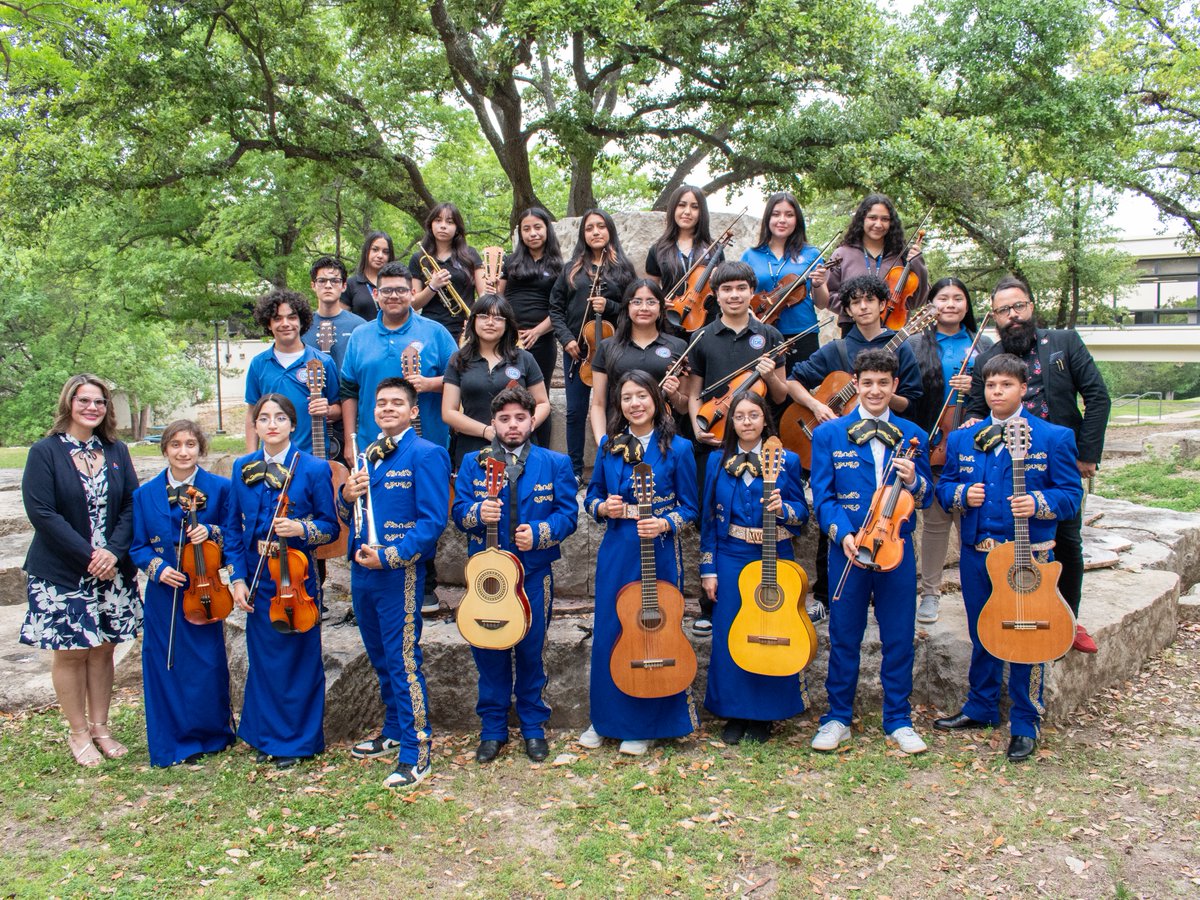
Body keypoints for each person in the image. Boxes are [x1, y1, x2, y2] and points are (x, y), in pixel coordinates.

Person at [935, 353, 1084, 761]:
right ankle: (980, 707)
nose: (997, 392)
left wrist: (1038, 502)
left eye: (1006, 385)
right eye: (990, 385)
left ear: (1024, 389)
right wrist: (962, 495)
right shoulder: (966, 437)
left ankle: (1025, 720)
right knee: (983, 630)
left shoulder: (1053, 437)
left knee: (1027, 634)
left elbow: (1071, 497)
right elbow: (943, 488)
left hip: (1028, 558)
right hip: (978, 554)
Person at [965, 276, 1111, 653]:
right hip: (1006, 469)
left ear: (1031, 306)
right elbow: (978, 409)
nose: (1013, 316)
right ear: (993, 316)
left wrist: (1087, 453)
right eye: (1003, 310)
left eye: (1019, 307)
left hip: (1057, 461)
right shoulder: (986, 358)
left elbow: (1097, 395)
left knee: (1066, 540)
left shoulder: (1064, 343)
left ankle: (1068, 620)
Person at [808, 349, 933, 756]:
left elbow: (929, 495)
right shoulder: (830, 434)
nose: (875, 390)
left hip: (896, 550)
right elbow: (823, 497)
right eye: (867, 383)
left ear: (894, 386)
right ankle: (837, 717)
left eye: (884, 382)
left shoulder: (914, 434)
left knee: (898, 637)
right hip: (848, 552)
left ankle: (898, 719)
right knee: (845, 636)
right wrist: (840, 533)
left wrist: (915, 481)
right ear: (855, 385)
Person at [786, 274, 925, 621]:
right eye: (855, 302)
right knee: (834, 511)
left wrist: (877, 395)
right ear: (847, 308)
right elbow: (793, 379)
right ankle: (826, 595)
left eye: (870, 300)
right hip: (835, 439)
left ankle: (884, 591)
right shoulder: (837, 349)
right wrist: (817, 407)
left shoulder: (901, 347)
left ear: (883, 305)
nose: (863, 307)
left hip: (887, 437)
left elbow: (914, 401)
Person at [452, 387, 579, 763]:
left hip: (532, 575)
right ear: (493, 423)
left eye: (519, 418)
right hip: (486, 578)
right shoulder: (474, 463)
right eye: (504, 419)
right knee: (488, 650)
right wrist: (477, 514)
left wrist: (541, 532)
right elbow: (458, 512)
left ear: (532, 420)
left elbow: (568, 515)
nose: (512, 425)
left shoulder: (554, 463)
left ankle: (532, 727)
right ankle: (492, 729)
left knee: (529, 651)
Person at [20, 374, 141, 768]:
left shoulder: (117, 451)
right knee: (71, 652)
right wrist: (90, 554)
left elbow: (129, 506)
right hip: (62, 571)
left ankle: (101, 727)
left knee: (103, 649)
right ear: (69, 403)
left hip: (111, 570)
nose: (92, 408)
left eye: (100, 402)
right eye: (84, 400)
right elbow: (42, 512)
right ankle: (77, 731)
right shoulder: (45, 452)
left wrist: (112, 552)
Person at [338, 378, 451, 788]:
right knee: (380, 658)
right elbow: (353, 513)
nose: (387, 409)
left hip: (398, 572)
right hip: (362, 569)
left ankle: (416, 750)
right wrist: (347, 495)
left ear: (414, 411)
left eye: (397, 403)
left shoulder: (427, 453)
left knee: (403, 662)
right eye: (381, 403)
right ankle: (392, 730)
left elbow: (432, 522)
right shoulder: (367, 453)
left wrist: (390, 555)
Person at [581, 371, 699, 755]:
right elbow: (592, 496)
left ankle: (647, 724)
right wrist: (603, 506)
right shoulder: (608, 448)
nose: (635, 403)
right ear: (619, 405)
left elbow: (691, 507)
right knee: (612, 629)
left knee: (653, 631)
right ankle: (605, 719)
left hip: (659, 550)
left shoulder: (678, 449)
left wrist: (666, 522)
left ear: (656, 400)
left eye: (642, 396)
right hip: (618, 548)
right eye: (627, 397)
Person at [340, 261, 458, 613]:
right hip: (370, 440)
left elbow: (459, 377)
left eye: (401, 290)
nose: (393, 296)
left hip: (426, 440)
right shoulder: (360, 336)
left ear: (413, 293)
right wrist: (349, 438)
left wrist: (430, 384)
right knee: (375, 507)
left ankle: (426, 583)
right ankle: (369, 575)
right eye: (386, 290)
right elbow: (348, 387)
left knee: (424, 506)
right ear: (375, 295)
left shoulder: (435, 331)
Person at [228, 394, 337, 769]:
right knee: (265, 660)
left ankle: (298, 741)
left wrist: (300, 528)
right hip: (259, 578)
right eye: (263, 418)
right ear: (255, 425)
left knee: (299, 660)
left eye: (280, 418)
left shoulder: (313, 468)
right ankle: (267, 735)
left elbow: (330, 527)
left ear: (293, 425)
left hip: (297, 579)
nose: (271, 424)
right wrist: (237, 578)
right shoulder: (242, 467)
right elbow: (231, 530)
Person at [683, 259, 790, 636]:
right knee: (712, 515)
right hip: (715, 438)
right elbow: (694, 393)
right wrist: (697, 426)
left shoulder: (770, 336)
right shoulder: (702, 336)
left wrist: (767, 375)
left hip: (759, 436)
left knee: (757, 513)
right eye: (726, 289)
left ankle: (760, 597)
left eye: (740, 288)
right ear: (715, 294)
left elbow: (780, 393)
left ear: (751, 292)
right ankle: (709, 604)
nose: (733, 295)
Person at [699, 392, 809, 744]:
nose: (747, 422)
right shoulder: (717, 461)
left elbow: (802, 517)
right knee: (730, 633)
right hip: (731, 554)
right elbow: (707, 522)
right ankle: (733, 712)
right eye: (739, 416)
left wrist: (784, 509)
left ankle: (765, 714)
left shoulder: (787, 460)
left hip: (773, 553)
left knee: (774, 630)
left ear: (765, 420)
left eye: (753, 415)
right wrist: (708, 569)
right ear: (731, 423)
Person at [130, 420, 237, 767]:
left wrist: (212, 532)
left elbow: (235, 535)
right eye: (175, 445)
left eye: (191, 444)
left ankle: (213, 734)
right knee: (166, 663)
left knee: (206, 664)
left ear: (200, 449)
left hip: (206, 589)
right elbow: (139, 547)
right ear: (164, 450)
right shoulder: (144, 495)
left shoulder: (220, 489)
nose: (183, 452)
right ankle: (172, 741)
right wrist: (158, 569)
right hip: (165, 594)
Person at [907, 277, 993, 625]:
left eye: (959, 298)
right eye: (944, 298)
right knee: (936, 523)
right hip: (934, 443)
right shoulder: (914, 343)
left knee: (977, 520)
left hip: (976, 443)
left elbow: (999, 390)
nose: (952, 304)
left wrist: (975, 386)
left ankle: (985, 591)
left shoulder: (982, 344)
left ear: (967, 305)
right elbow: (910, 394)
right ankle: (930, 593)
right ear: (932, 304)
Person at [549, 208, 636, 483]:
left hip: (611, 352)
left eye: (601, 226)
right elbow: (556, 308)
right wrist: (566, 339)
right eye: (589, 228)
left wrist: (609, 305)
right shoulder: (572, 268)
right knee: (575, 411)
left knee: (613, 409)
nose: (595, 232)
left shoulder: (623, 269)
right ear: (583, 234)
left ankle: (611, 465)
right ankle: (575, 470)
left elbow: (633, 308)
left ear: (609, 230)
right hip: (578, 350)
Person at [442, 294, 551, 470]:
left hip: (519, 447)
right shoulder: (459, 359)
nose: (490, 322)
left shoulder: (524, 358)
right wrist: (487, 431)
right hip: (472, 447)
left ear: (507, 324)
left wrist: (522, 428)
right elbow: (448, 412)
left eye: (498, 318)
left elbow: (543, 403)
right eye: (484, 316)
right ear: (473, 321)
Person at [588, 279, 688, 447]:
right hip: (619, 435)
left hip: (666, 438)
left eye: (651, 302)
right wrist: (601, 441)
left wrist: (674, 395)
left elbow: (684, 406)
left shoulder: (678, 346)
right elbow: (598, 403)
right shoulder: (607, 347)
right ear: (627, 307)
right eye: (636, 302)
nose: (644, 308)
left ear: (661, 308)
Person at [244, 289, 340, 457]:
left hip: (313, 456)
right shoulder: (259, 364)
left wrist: (328, 409)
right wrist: (251, 457)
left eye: (292, 317)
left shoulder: (323, 362)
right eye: (277, 318)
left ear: (301, 321)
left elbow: (339, 409)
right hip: (271, 458)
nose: (285, 323)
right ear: (268, 324)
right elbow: (252, 413)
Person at [497, 207, 563, 447]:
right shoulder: (510, 262)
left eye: (537, 227)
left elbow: (560, 309)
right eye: (526, 229)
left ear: (547, 229)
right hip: (507, 339)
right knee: (502, 391)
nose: (532, 233)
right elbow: (498, 299)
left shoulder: (559, 266)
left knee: (538, 398)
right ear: (520, 234)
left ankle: (539, 451)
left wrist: (537, 331)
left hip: (542, 341)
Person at [741, 191, 830, 371]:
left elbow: (822, 303)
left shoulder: (811, 254)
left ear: (797, 220)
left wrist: (818, 285)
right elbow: (742, 294)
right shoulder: (750, 255)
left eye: (789, 215)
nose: (782, 220)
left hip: (802, 331)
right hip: (762, 331)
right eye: (776, 214)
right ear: (767, 218)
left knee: (801, 387)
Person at [826, 194, 928, 336]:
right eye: (873, 218)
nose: (878, 224)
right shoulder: (842, 254)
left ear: (891, 223)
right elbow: (827, 294)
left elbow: (918, 300)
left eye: (885, 219)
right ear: (862, 219)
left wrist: (918, 264)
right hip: (853, 330)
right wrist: (854, 308)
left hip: (894, 330)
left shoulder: (902, 255)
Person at [646, 184, 721, 329]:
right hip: (670, 321)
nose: (687, 212)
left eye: (694, 207)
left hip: (707, 321)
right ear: (673, 208)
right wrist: (658, 300)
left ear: (702, 212)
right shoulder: (657, 249)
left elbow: (722, 288)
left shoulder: (714, 248)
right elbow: (651, 289)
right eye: (682, 205)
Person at [410, 202, 486, 339]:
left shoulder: (471, 255)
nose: (443, 226)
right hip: (430, 328)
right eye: (438, 220)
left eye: (450, 222)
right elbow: (414, 303)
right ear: (430, 225)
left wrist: (475, 317)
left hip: (464, 327)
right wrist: (432, 286)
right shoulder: (418, 258)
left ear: (457, 228)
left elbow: (484, 295)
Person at [303, 255, 367, 371]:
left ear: (344, 286)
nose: (328, 286)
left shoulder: (359, 326)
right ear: (313, 285)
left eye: (335, 281)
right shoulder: (302, 325)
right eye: (322, 281)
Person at [342, 230, 395, 321]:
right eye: (375, 250)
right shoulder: (351, 284)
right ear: (366, 251)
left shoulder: (396, 283)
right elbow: (342, 320)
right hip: (362, 334)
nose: (380, 255)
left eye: (385, 252)